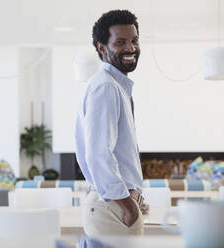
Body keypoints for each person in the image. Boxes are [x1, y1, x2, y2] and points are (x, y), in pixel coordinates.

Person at [75, 9, 144, 236]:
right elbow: (98, 154)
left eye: (134, 40)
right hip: (113, 208)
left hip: (115, 206)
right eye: (120, 42)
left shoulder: (115, 86)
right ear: (102, 48)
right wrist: (127, 205)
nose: (131, 48)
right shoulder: (105, 87)